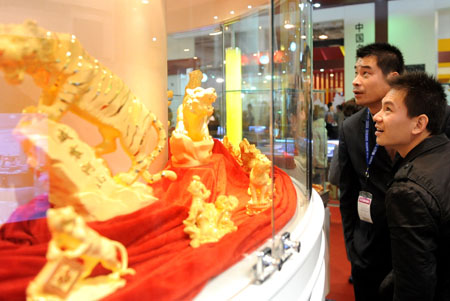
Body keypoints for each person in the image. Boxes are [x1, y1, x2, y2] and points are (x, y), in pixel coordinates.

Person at [373, 72, 450, 300]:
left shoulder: (408, 191)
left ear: (419, 123)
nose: (377, 116)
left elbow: (414, 285)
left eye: (388, 109)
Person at [338, 42, 405, 301]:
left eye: (366, 73)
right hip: (368, 252)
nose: (356, 82)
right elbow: (347, 192)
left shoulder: (424, 121)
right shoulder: (351, 127)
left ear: (393, 78)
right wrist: (353, 249)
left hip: (417, 249)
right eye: (356, 72)